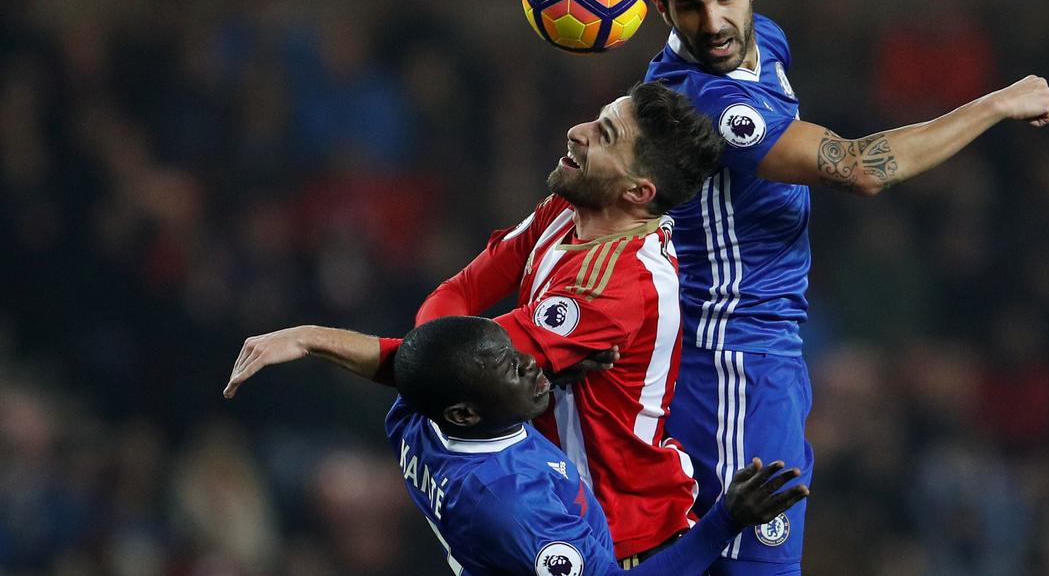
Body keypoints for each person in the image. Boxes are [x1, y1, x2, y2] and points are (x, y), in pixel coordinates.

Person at [636, 0, 1049, 574]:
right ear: (662, 10)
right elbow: (859, 168)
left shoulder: (761, 39)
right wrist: (999, 102)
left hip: (763, 357)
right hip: (728, 369)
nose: (712, 23)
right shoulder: (705, 102)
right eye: (688, 6)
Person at [227, 80, 727, 565]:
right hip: (537, 499)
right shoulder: (566, 209)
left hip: (620, 533)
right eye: (597, 119)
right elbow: (454, 303)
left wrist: (313, 338)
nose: (578, 131)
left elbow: (440, 366)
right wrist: (443, 345)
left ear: (638, 191)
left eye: (605, 135)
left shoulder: (615, 286)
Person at [225, 315, 808, 575]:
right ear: (467, 411)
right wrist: (726, 520)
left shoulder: (415, 418)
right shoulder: (514, 508)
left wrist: (306, 337)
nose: (534, 366)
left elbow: (402, 364)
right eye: (511, 370)